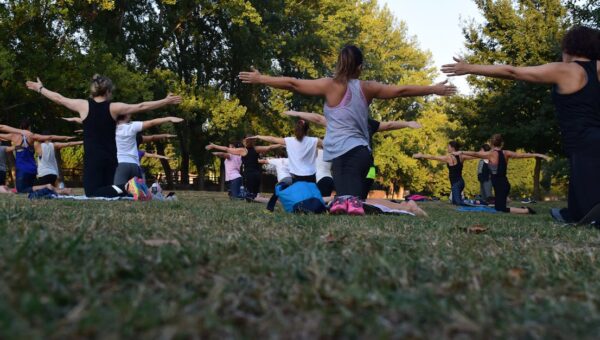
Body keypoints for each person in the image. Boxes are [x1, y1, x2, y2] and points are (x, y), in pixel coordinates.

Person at [442, 25, 600, 222]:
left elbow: (513, 72)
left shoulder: (566, 70)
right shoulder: (597, 68)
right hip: (589, 145)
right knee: (578, 213)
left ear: (569, 48)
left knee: (591, 213)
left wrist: (470, 68)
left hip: (583, 147)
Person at [26, 75, 182, 198]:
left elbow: (58, 98)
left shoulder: (83, 105)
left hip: (94, 158)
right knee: (110, 192)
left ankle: (129, 186)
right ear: (107, 92)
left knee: (92, 193)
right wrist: (165, 101)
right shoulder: (114, 107)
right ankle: (145, 189)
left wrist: (40, 89)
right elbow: (141, 106)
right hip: (111, 158)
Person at [284, 110, 422, 199]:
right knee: (356, 195)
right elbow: (318, 118)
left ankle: (356, 201)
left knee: (359, 191)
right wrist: (408, 123)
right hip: (359, 164)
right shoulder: (356, 122)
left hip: (360, 164)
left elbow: (390, 125)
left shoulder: (358, 123)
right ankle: (354, 201)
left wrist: (407, 123)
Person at [457, 134, 550, 214]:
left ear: (491, 143)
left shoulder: (490, 154)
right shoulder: (506, 153)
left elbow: (474, 153)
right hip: (502, 184)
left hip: (500, 185)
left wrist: (461, 152)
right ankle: (522, 210)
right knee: (498, 207)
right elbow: (522, 155)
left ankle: (526, 211)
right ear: (502, 143)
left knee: (500, 209)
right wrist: (539, 154)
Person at [0, 120, 73, 193]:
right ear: (29, 128)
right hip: (33, 169)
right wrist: (65, 137)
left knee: (21, 190)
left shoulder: (13, 136)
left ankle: (47, 186)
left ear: (20, 127)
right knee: (31, 188)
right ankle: (61, 190)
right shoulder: (32, 136)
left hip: (22, 169)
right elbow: (50, 136)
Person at [113, 114, 183, 188]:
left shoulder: (109, 129)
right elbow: (151, 128)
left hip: (120, 164)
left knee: (118, 190)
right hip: (135, 166)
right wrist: (168, 119)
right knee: (138, 193)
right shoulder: (132, 128)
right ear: (126, 116)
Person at [206, 138, 283, 200]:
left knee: (247, 196)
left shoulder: (240, 152)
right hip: (255, 174)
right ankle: (251, 195)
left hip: (245, 175)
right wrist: (282, 143)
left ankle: (250, 196)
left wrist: (214, 147)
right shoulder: (254, 150)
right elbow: (270, 147)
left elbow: (225, 151)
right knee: (252, 195)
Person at [249, 119, 321, 183]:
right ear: (307, 130)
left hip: (296, 175)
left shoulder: (289, 140)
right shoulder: (315, 140)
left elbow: (272, 139)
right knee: (310, 195)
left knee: (298, 196)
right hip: (311, 174)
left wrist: (258, 136)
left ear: (295, 129)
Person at [413, 141, 477, 206]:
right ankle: (466, 202)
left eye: (448, 146)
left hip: (456, 184)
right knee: (455, 202)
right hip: (460, 183)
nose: (447, 148)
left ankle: (475, 205)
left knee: (458, 203)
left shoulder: (449, 158)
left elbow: (433, 157)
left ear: (453, 148)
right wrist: (483, 155)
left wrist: (421, 155)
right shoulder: (462, 156)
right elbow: (475, 155)